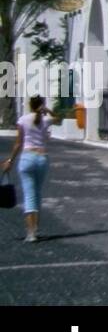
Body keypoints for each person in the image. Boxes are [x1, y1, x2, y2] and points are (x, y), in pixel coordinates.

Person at [2, 95, 64, 242]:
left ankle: (31, 233)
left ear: (30, 105)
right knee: (36, 194)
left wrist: (11, 160)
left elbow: (18, 143)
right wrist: (47, 109)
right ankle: (35, 228)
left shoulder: (23, 120)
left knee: (29, 194)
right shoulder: (45, 119)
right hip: (42, 159)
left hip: (27, 158)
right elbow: (59, 120)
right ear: (42, 105)